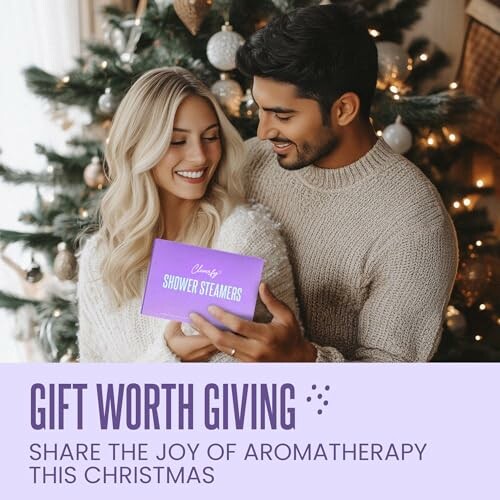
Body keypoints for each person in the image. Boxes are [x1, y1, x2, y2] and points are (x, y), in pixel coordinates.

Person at [184, 4, 459, 362]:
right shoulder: (251, 160)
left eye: (283, 115)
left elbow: (391, 387)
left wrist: (302, 361)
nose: (264, 132)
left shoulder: (415, 225)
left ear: (344, 109)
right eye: (260, 109)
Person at [77, 67, 301, 362]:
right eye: (177, 141)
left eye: (210, 137)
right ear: (138, 147)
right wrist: (170, 357)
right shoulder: (101, 258)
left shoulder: (244, 236)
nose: (200, 156)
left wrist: (171, 361)